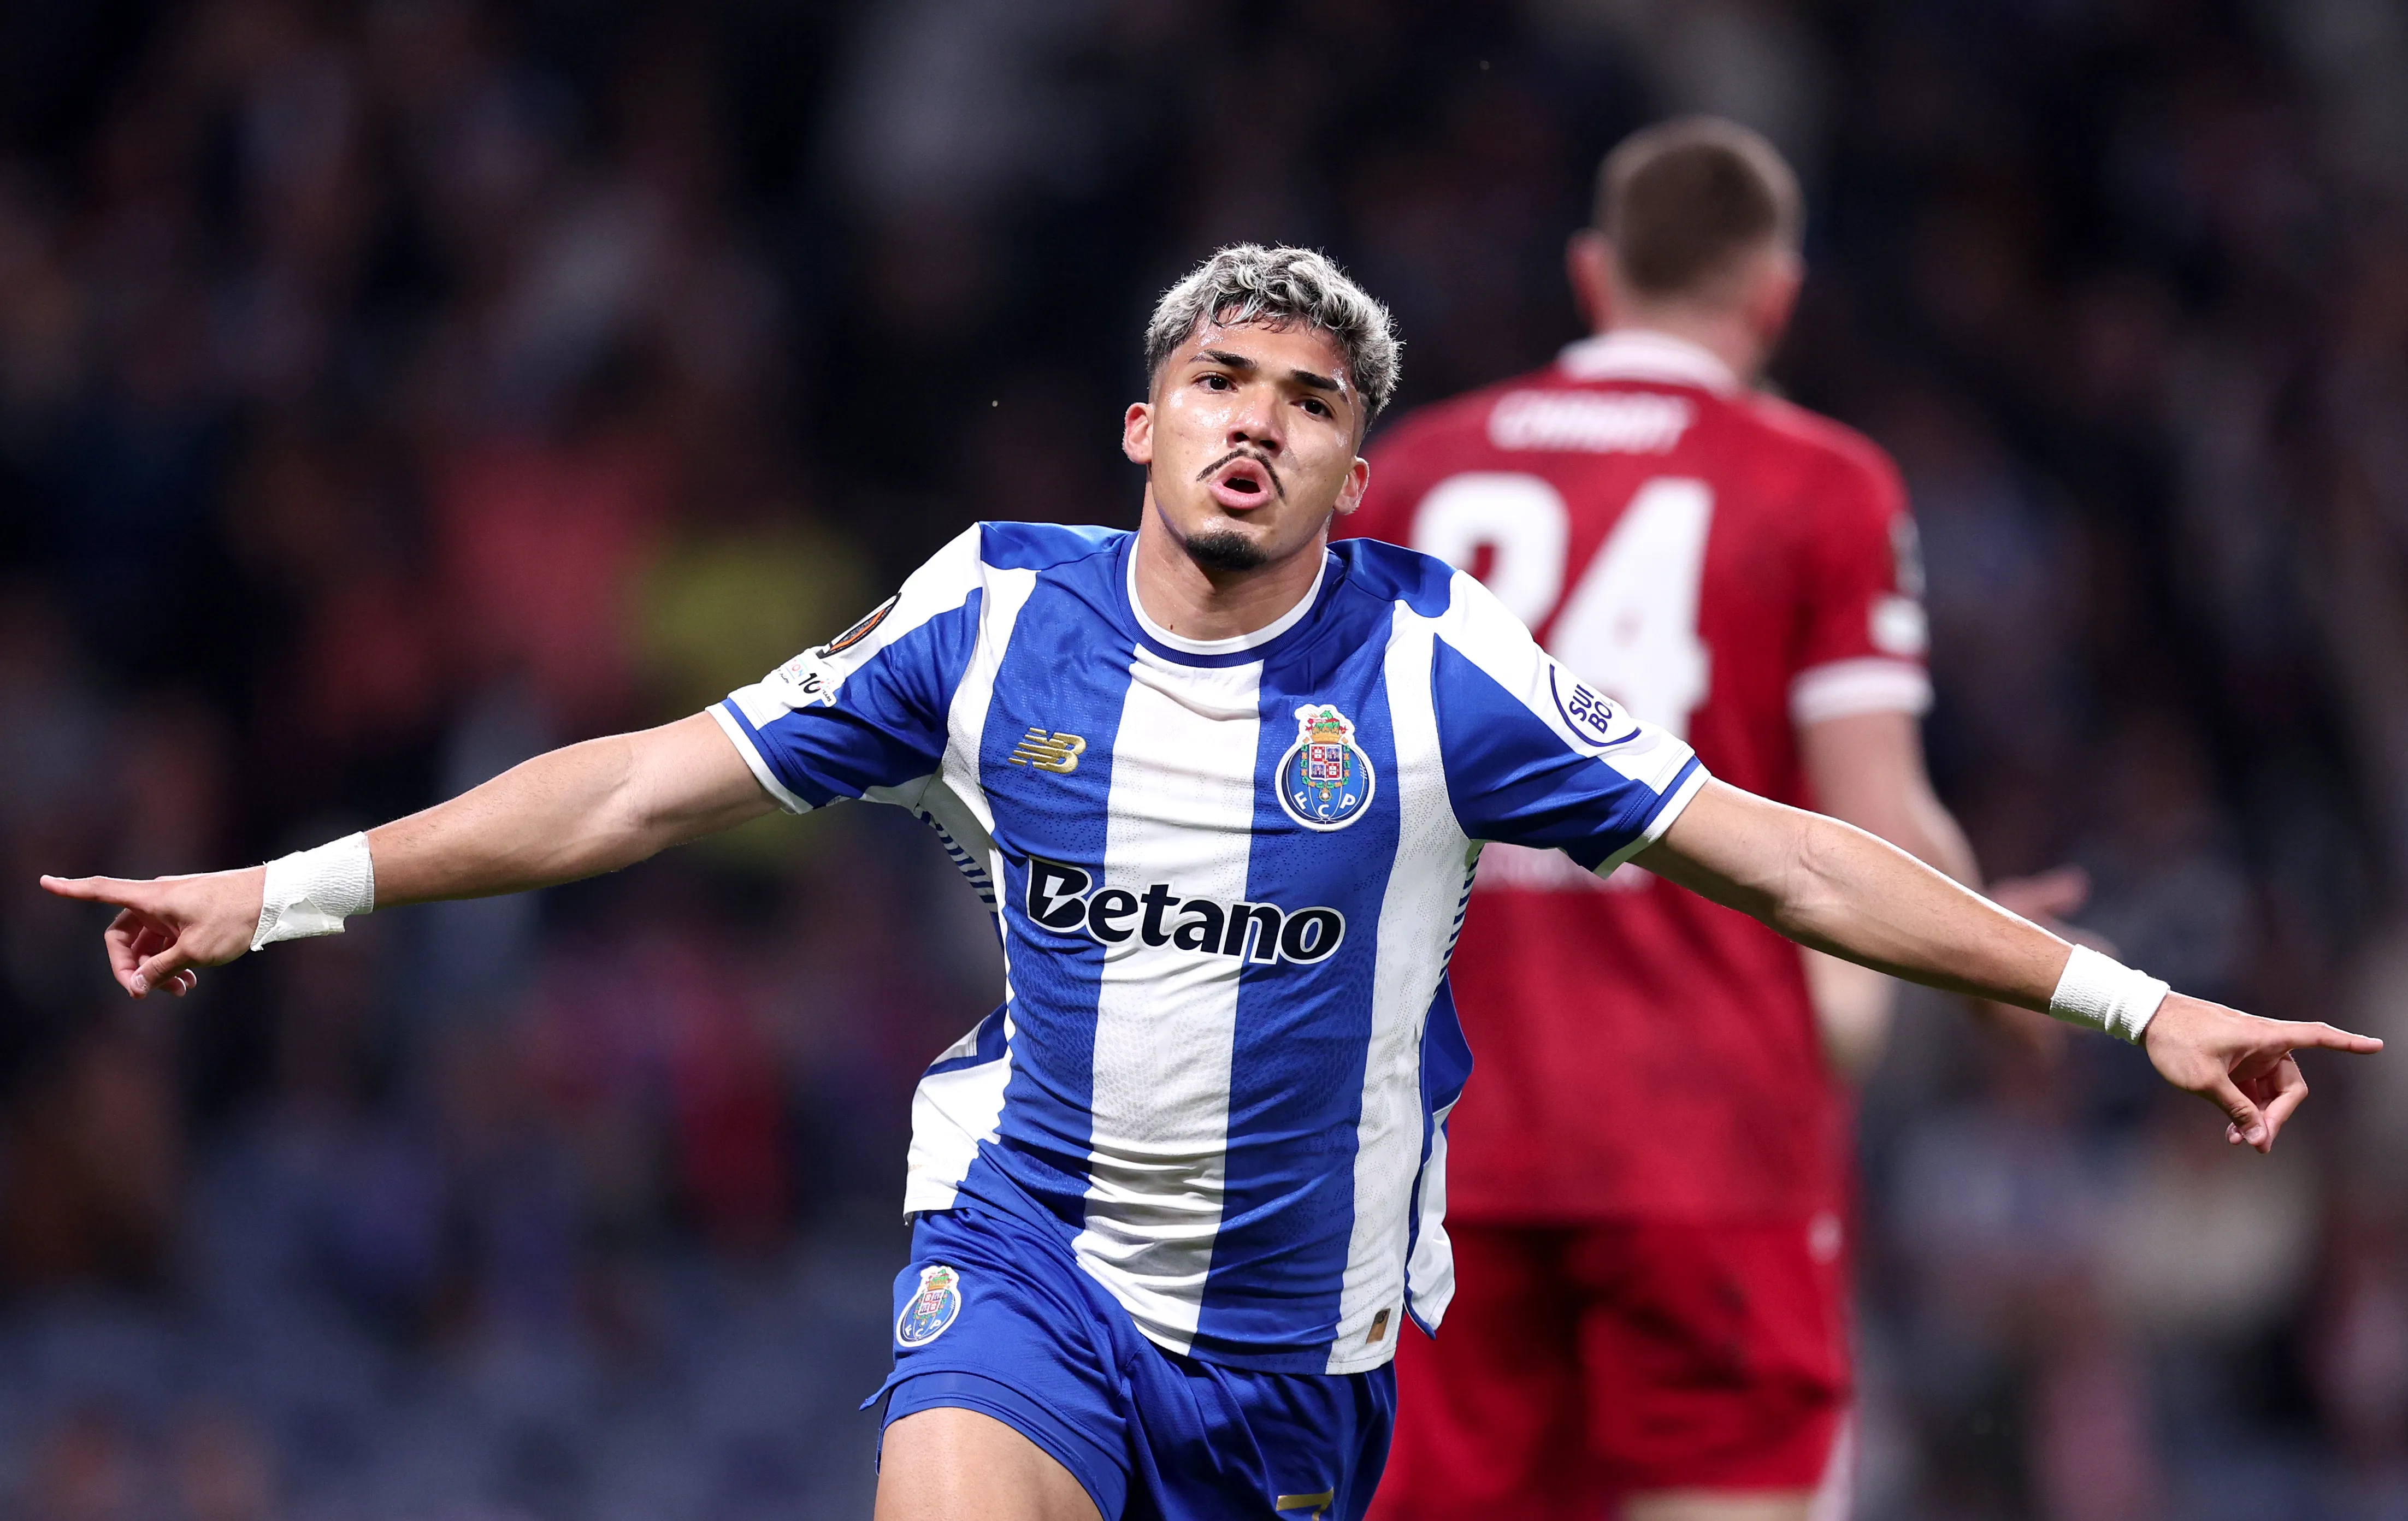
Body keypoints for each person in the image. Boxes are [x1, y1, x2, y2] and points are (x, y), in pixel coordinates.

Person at [40, 245, 2374, 1521]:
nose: (1259, 415)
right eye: (1220, 375)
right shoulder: (986, 617)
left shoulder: (1442, 667)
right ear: (1144, 421)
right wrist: (288, 892)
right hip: (1031, 1271)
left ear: (1356, 471)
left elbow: (1775, 855)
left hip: (1297, 1379)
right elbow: (643, 787)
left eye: (1311, 399)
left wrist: (2124, 1005)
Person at [1336, 119, 2080, 1520]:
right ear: (1775, 295)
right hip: (1710, 1132)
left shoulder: (1416, 473)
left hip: (1440, 1137)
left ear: (1588, 273)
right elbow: (1883, 814)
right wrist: (2002, 992)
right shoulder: (1818, 482)